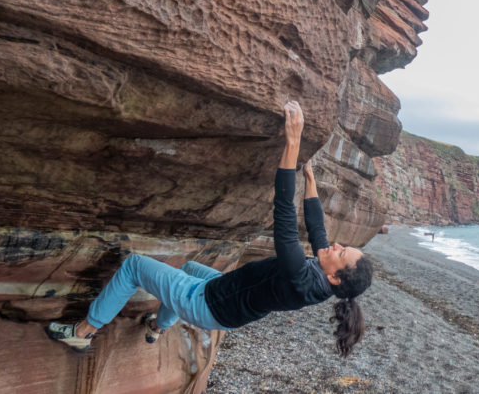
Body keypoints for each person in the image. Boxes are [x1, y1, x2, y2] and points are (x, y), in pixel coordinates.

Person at [45, 101, 373, 358]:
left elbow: (285, 216)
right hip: (226, 296)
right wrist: (310, 178)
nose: (336, 245)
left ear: (335, 277)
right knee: (188, 267)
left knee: (133, 266)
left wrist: (293, 142)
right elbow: (316, 228)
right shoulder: (323, 274)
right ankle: (157, 327)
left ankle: (84, 332)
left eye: (341, 252)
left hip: (206, 304)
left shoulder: (302, 281)